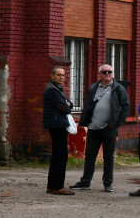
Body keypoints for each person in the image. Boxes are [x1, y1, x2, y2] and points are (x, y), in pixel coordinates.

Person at [71, 63, 130, 193]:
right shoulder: (94, 87)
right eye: (104, 72)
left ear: (113, 73)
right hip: (94, 127)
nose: (107, 74)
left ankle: (108, 183)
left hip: (109, 128)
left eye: (110, 71)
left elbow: (126, 107)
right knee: (90, 155)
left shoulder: (118, 88)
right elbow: (88, 104)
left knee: (108, 157)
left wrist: (116, 123)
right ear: (100, 74)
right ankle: (85, 182)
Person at [43, 65, 74, 195]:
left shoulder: (57, 89)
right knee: (61, 156)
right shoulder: (52, 90)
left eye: (63, 75)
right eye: (58, 75)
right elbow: (65, 108)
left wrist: (67, 104)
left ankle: (52, 186)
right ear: (52, 75)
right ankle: (57, 187)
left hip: (58, 124)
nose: (61, 77)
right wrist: (66, 104)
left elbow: (70, 104)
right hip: (56, 125)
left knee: (57, 155)